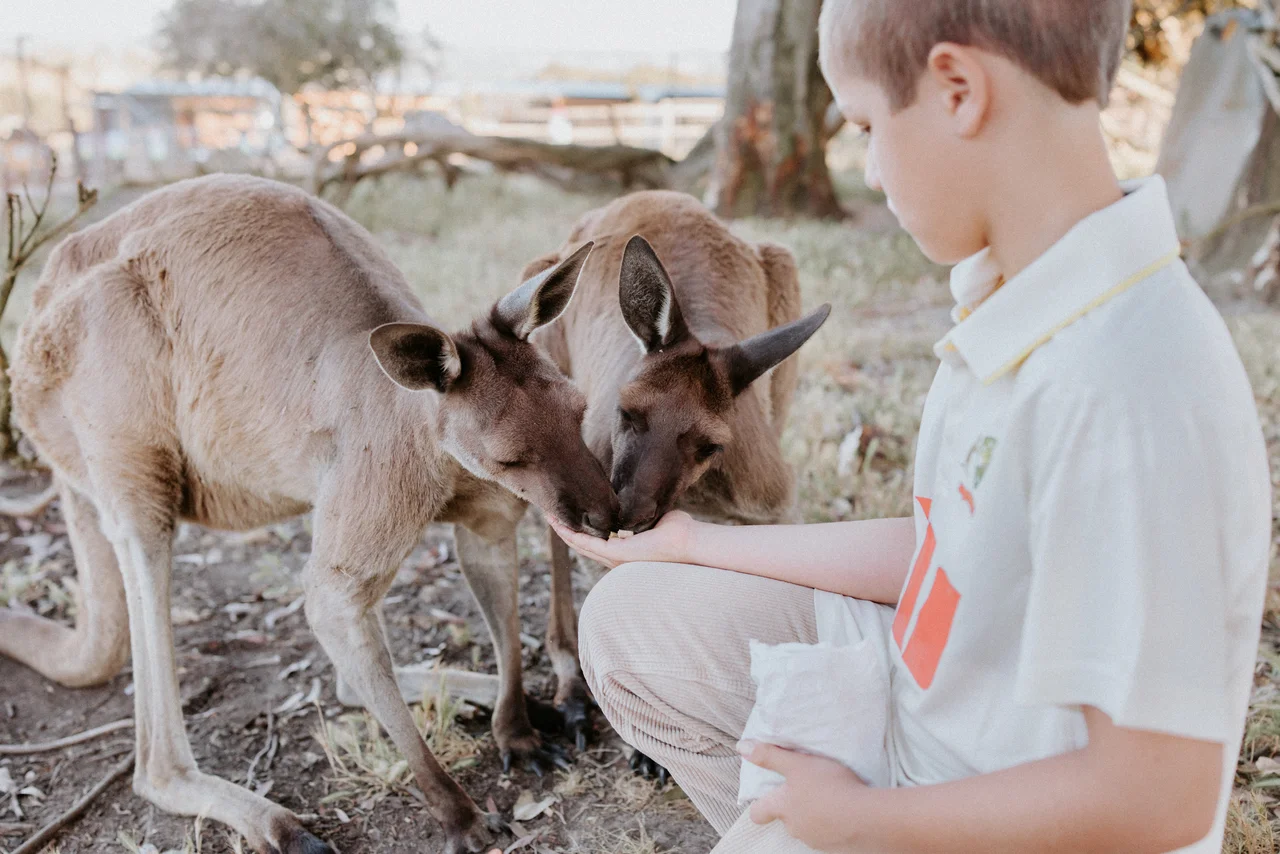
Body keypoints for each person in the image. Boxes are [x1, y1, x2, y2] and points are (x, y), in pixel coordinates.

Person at [550, 1, 1273, 851]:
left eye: (863, 126)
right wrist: (691, 544)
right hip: (937, 695)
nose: (872, 170)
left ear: (957, 90)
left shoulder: (1131, 381)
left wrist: (861, 822)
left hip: (985, 798)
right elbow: (949, 553)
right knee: (633, 613)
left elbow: (1162, 798)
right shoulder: (1014, 295)